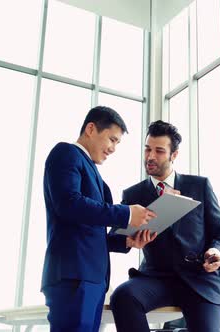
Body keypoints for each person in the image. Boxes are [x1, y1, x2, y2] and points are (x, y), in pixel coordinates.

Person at [41, 106, 158, 332]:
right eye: (112, 139)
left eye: (117, 143)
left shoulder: (94, 173)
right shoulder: (66, 153)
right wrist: (126, 213)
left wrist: (125, 241)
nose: (113, 149)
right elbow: (68, 203)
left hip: (91, 279)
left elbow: (89, 231)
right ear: (91, 129)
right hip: (74, 275)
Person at [110, 120, 220, 332]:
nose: (150, 156)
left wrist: (216, 251)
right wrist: (129, 240)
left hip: (200, 279)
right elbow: (113, 237)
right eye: (147, 149)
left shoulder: (199, 186)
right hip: (157, 279)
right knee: (123, 296)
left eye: (159, 151)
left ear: (173, 155)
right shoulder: (133, 194)